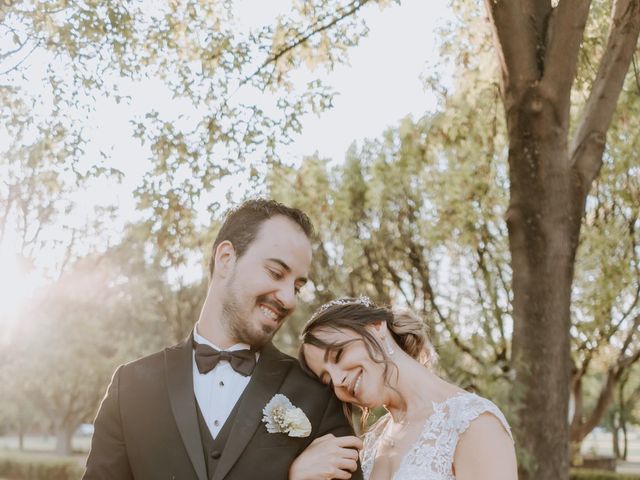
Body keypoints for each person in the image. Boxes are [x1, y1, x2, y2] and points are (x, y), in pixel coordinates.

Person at [84, 199, 363, 480]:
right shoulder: (130, 386)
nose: (289, 299)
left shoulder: (316, 395)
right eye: (276, 273)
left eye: (297, 287)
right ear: (226, 259)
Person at [299, 297, 518, 480]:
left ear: (377, 326)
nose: (338, 380)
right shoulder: (372, 442)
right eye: (327, 380)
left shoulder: (473, 423)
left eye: (338, 354)